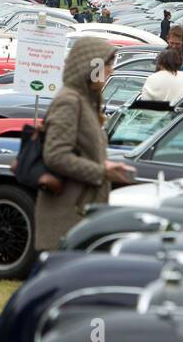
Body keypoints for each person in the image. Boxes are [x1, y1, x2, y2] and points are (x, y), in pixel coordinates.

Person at [35, 37, 137, 251]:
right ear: (91, 67)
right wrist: (101, 171)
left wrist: (106, 167)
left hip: (81, 215)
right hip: (67, 218)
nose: (111, 70)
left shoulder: (85, 101)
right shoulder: (70, 101)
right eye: (107, 64)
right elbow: (56, 156)